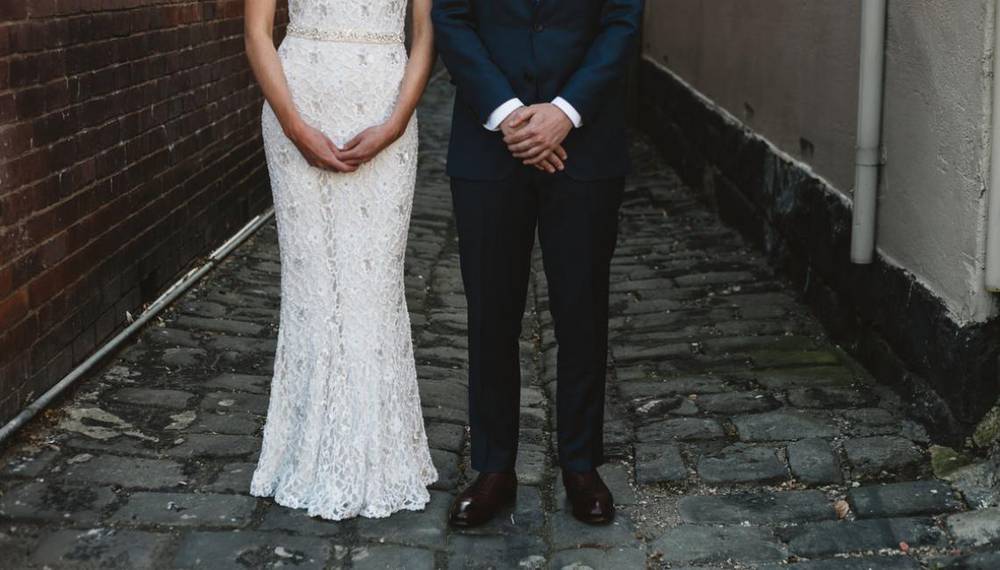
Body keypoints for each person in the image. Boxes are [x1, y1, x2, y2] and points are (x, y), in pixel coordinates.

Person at [432, 0, 644, 527]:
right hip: (487, 145)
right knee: (490, 313)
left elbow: (622, 22)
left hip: (585, 145)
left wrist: (564, 112)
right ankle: (493, 469)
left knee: (582, 310)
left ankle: (581, 465)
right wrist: (509, 114)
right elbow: (452, 19)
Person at [242, 0, 438, 520]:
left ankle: (382, 451)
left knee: (375, 287)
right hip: (298, 105)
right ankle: (306, 451)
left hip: (385, 109)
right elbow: (257, 33)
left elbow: (426, 33)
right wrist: (294, 126)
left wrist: (396, 122)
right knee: (311, 287)